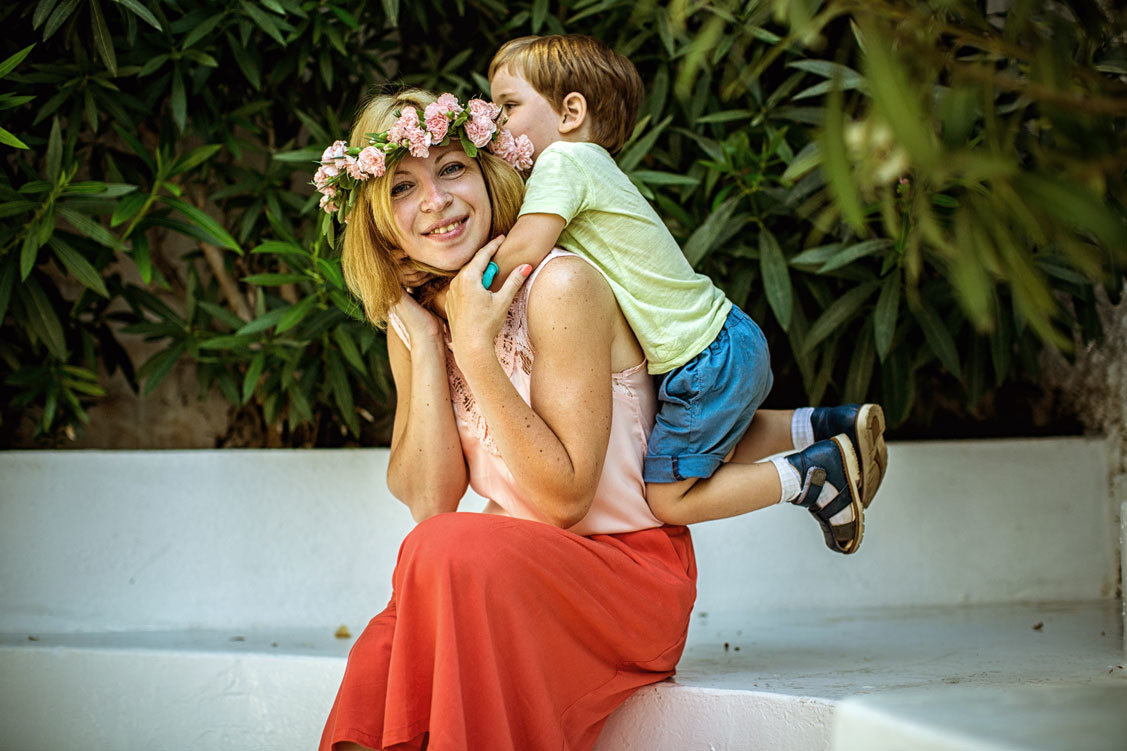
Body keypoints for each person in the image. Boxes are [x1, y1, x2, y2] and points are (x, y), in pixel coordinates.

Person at [314, 88, 697, 751]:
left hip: (623, 580)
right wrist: (428, 344)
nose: (435, 199)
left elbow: (565, 497)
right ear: (380, 221)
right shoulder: (420, 320)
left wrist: (475, 352)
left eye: (452, 167)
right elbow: (430, 502)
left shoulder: (562, 284)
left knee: (442, 551)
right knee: (381, 652)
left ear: (489, 174)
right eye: (403, 186)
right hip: (493, 583)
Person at [480, 34, 889, 554]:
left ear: (570, 112)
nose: (495, 123)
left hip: (703, 361)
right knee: (715, 444)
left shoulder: (563, 163)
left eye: (508, 106)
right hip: (721, 340)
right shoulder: (590, 167)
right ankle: (830, 424)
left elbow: (525, 249)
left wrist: (466, 286)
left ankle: (813, 475)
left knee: (670, 497)